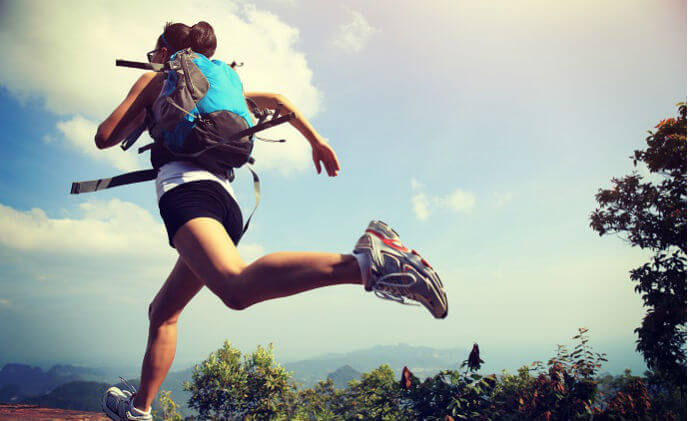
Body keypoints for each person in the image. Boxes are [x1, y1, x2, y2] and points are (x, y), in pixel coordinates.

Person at [97, 21, 448, 421]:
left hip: (187, 191)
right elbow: (280, 99)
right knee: (163, 311)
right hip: (228, 205)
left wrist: (148, 107)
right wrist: (317, 140)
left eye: (155, 53)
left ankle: (369, 263)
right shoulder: (226, 88)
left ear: (165, 51)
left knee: (235, 288)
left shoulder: (157, 80)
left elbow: (104, 136)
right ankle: (138, 409)